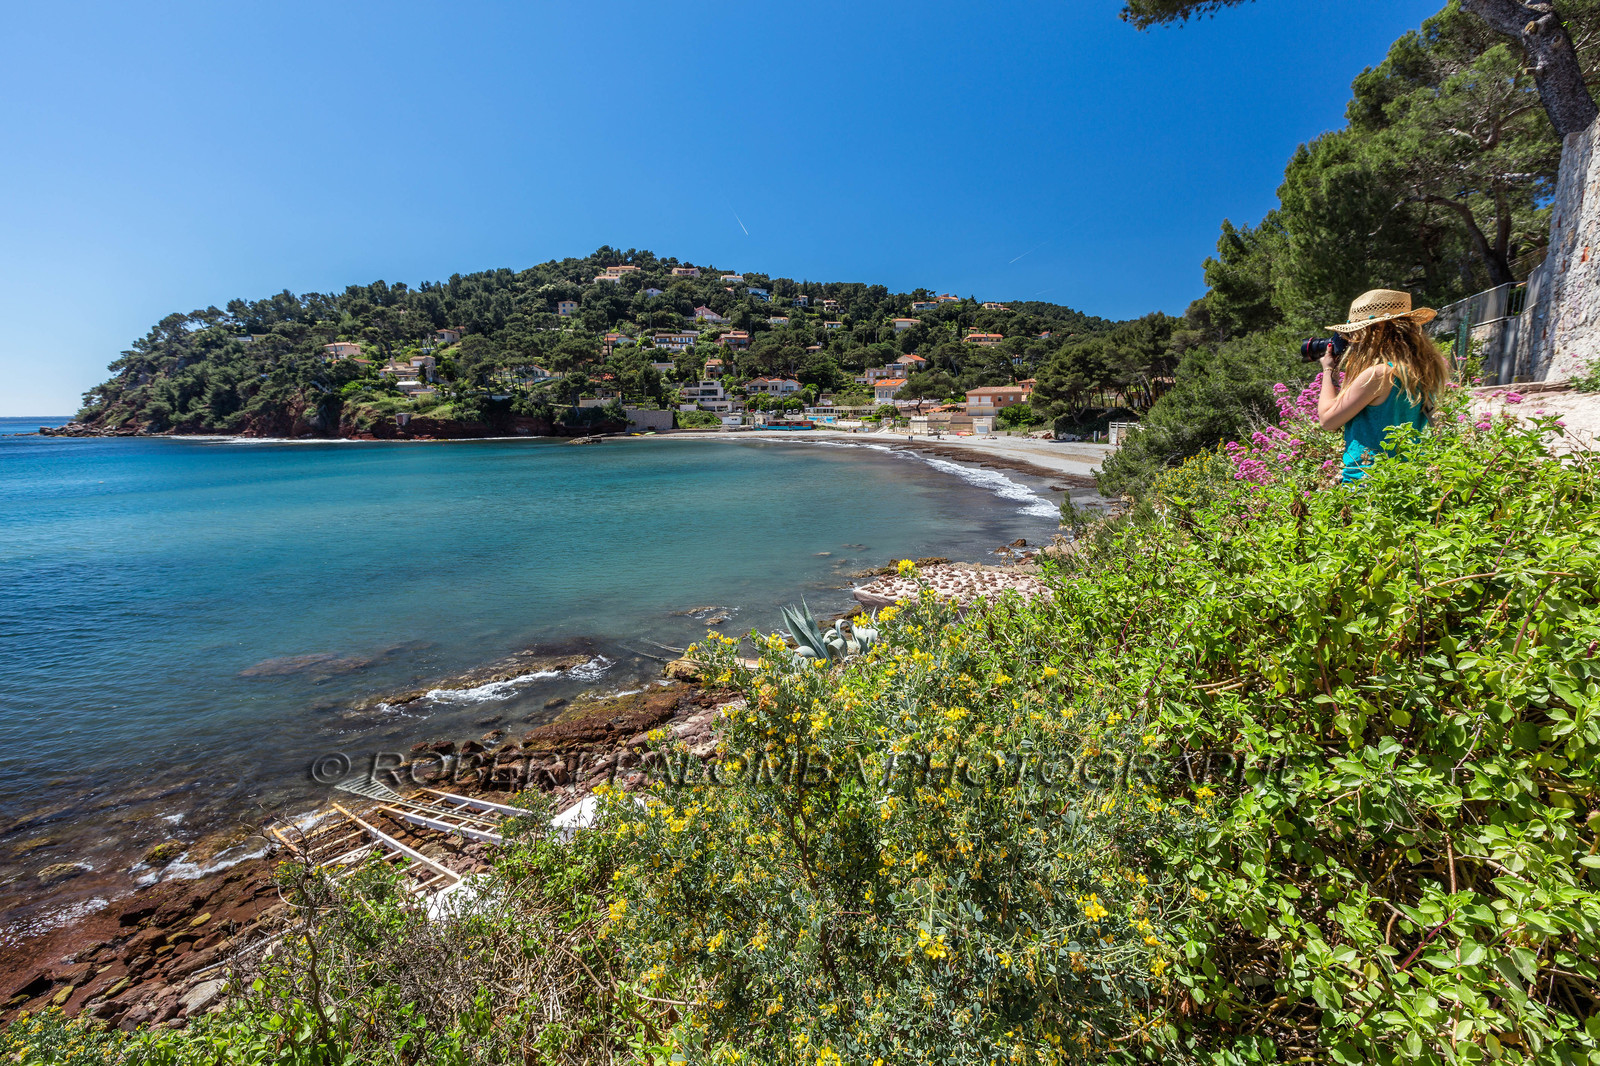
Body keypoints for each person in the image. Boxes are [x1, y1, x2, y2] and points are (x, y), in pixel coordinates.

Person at [1315, 289, 1451, 483]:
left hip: (1368, 486)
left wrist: (1328, 371)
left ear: (1374, 332)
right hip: (1408, 482)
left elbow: (1328, 420)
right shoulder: (1422, 370)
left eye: (1354, 334)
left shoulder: (1380, 375)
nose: (1351, 341)